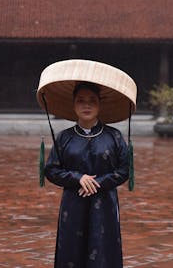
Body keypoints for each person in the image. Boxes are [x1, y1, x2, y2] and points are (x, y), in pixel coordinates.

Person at [44, 82, 130, 268]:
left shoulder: (114, 136)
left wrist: (98, 182)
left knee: (103, 249)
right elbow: (51, 170)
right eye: (81, 101)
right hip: (73, 204)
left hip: (105, 204)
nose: (86, 105)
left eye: (92, 100)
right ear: (73, 105)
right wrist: (78, 178)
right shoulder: (64, 137)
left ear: (100, 105)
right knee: (71, 250)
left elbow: (125, 170)